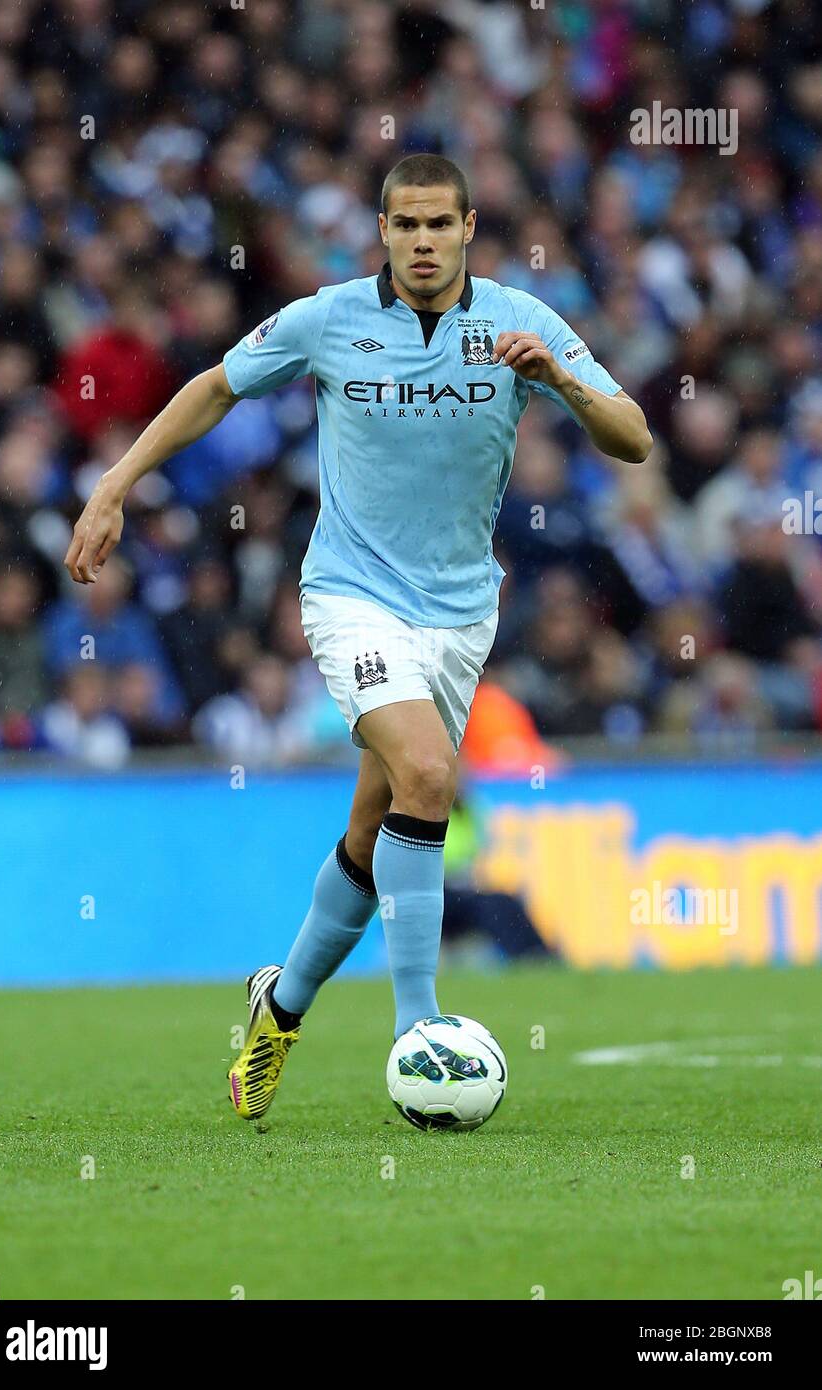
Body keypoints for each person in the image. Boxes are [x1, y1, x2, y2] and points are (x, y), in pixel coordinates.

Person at [64, 153, 652, 1121]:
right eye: (404, 225)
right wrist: (114, 483)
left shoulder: (519, 324)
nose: (421, 242)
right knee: (426, 772)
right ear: (380, 232)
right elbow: (215, 386)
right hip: (350, 598)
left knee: (375, 825)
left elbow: (631, 435)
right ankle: (417, 1031)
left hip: (460, 615)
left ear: (468, 230)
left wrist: (563, 383)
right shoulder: (328, 320)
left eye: (438, 226)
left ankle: (279, 1003)